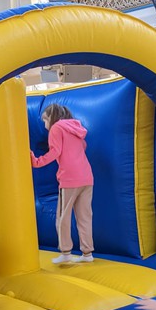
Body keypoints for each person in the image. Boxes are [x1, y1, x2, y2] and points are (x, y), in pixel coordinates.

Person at [30, 103, 94, 264]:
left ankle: (66, 253)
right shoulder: (76, 128)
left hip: (70, 178)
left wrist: (37, 162)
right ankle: (87, 254)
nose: (45, 126)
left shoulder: (56, 128)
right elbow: (83, 147)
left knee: (62, 217)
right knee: (85, 217)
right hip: (86, 177)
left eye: (45, 121)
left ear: (51, 118)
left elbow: (55, 151)